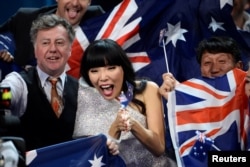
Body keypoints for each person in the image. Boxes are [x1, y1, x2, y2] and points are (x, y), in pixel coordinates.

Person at [0, 15, 118, 155]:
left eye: (60, 43)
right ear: (35, 50)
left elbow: (96, 134)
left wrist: (107, 143)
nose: (53, 49)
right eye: (45, 43)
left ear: (69, 49)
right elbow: (5, 94)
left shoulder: (84, 91)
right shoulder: (18, 82)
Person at [73, 39, 177, 166]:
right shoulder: (83, 97)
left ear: (123, 68)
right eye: (94, 71)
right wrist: (114, 130)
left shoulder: (148, 89)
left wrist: (133, 124)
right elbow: (90, 155)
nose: (103, 77)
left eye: (111, 68)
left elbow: (159, 148)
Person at [0, 0, 104, 77]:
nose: (75, 3)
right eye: (45, 42)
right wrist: (3, 50)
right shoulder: (24, 18)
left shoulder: (99, 20)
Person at [159, 36, 243, 99]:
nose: (214, 69)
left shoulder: (247, 94)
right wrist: (177, 99)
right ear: (200, 68)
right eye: (207, 63)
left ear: (239, 66)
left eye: (221, 61)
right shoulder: (192, 100)